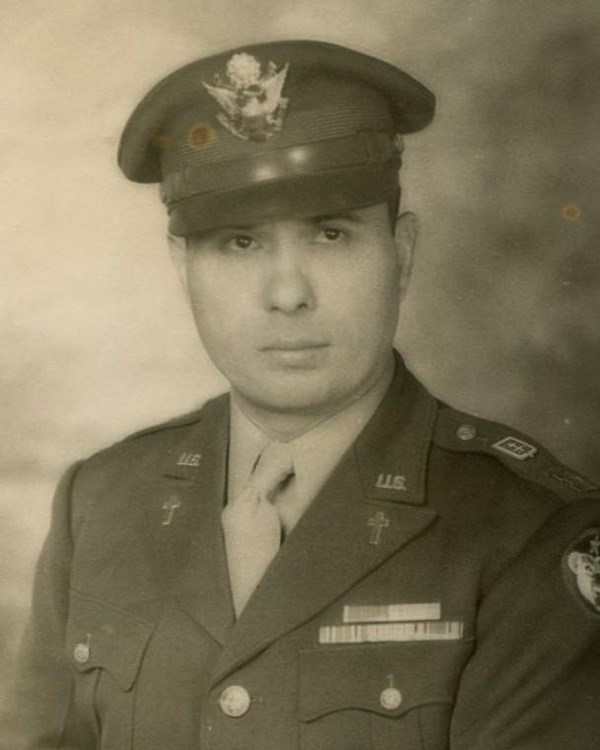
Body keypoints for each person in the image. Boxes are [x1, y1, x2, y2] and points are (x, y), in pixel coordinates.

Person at [9, 39, 600, 750]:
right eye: (239, 244)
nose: (288, 295)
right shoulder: (99, 504)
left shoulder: (531, 531)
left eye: (330, 234)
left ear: (401, 255)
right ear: (182, 267)